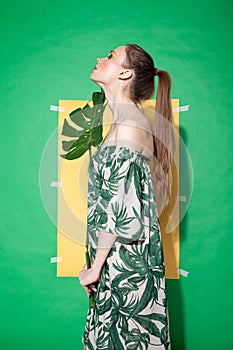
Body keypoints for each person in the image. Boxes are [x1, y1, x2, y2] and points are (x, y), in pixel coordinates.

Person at [79, 44, 174, 350]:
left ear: (124, 73)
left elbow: (120, 212)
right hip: (118, 262)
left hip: (125, 266)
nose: (99, 58)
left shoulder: (130, 128)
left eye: (109, 56)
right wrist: (98, 265)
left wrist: (96, 267)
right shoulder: (123, 124)